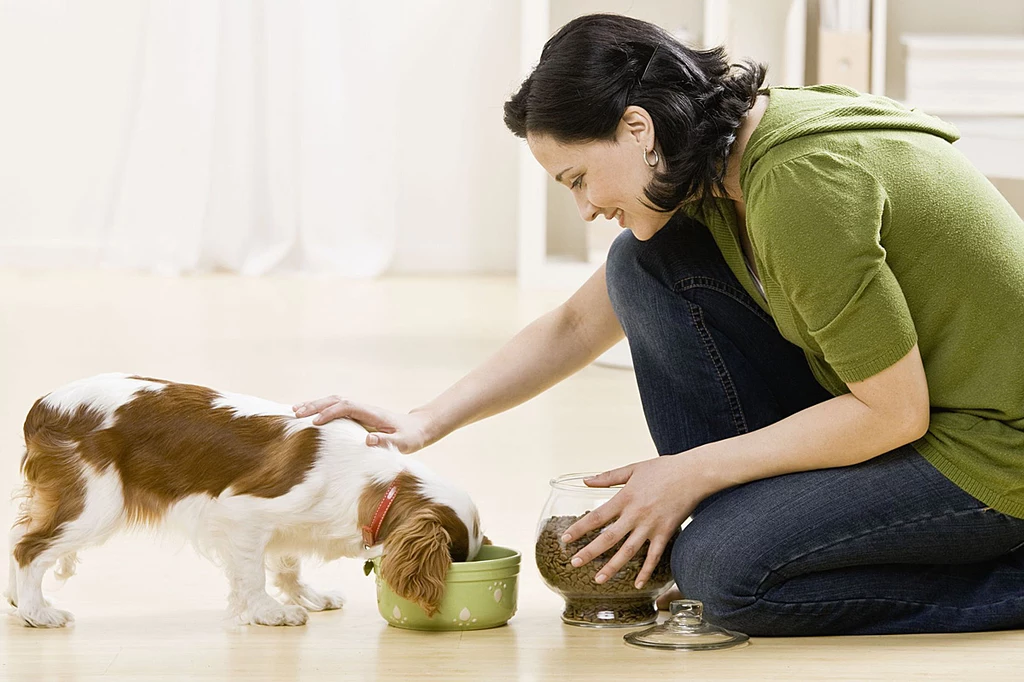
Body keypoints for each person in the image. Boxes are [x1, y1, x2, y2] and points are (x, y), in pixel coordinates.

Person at [293, 14, 1024, 636]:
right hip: (906, 413)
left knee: (724, 577)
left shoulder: (801, 185)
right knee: (637, 264)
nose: (582, 207)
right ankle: (767, 524)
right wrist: (423, 421)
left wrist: (686, 473)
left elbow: (895, 412)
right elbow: (578, 324)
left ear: (638, 128)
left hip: (989, 453)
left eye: (577, 179)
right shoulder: (713, 161)